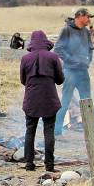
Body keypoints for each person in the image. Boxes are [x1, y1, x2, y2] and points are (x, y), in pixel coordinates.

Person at [20, 30, 64, 172]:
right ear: (45, 42)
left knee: (30, 131)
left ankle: (29, 165)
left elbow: (23, 80)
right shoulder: (53, 57)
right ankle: (49, 166)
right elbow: (60, 80)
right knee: (49, 131)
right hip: (49, 99)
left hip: (31, 99)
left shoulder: (25, 59)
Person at [53, 8, 94, 136]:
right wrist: (71, 61)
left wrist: (88, 62)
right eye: (88, 17)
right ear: (80, 16)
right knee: (65, 102)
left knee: (87, 102)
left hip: (83, 71)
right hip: (70, 71)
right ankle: (57, 132)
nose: (89, 20)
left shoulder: (86, 32)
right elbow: (58, 49)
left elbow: (90, 48)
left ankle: (93, 133)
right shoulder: (67, 30)